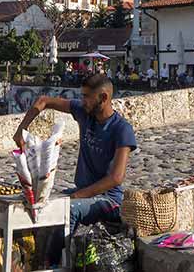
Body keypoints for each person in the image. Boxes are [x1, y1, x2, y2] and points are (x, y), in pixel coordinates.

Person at [13, 74, 137, 242]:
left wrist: (78, 196)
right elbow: (43, 100)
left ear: (103, 97)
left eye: (86, 97)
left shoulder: (121, 129)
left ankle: (58, 262)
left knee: (67, 210)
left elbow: (116, 178)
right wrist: (22, 129)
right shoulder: (84, 113)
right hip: (81, 191)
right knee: (40, 203)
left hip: (109, 199)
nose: (82, 100)